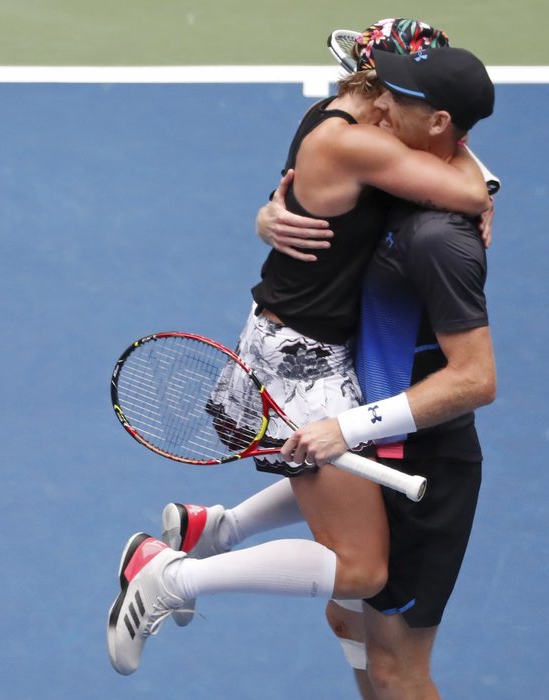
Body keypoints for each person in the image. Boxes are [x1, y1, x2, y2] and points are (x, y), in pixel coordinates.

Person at [107, 19, 490, 677]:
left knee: (330, 471)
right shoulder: (358, 140)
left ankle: (211, 531)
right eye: (390, 90)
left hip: (289, 337)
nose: (387, 103)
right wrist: (485, 191)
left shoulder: (336, 113)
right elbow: (468, 188)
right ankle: (168, 577)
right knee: (362, 568)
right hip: (303, 358)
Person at [283, 46, 497, 698]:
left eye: (395, 99)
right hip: (384, 444)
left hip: (426, 469)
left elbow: (476, 378)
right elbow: (321, 175)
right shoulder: (393, 173)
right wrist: (274, 210)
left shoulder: (439, 238)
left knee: (398, 670)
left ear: (436, 123)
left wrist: (348, 426)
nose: (376, 106)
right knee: (347, 625)